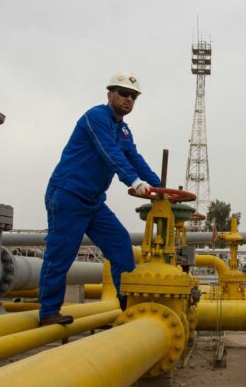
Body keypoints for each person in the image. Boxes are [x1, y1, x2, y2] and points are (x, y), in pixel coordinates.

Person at [37, 72, 161, 326]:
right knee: (61, 253)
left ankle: (128, 305)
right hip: (68, 194)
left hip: (93, 201)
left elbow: (134, 158)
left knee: (120, 244)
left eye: (134, 96)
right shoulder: (96, 117)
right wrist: (133, 181)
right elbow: (110, 152)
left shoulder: (122, 129)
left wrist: (161, 188)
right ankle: (48, 312)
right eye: (124, 93)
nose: (129, 99)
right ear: (110, 94)